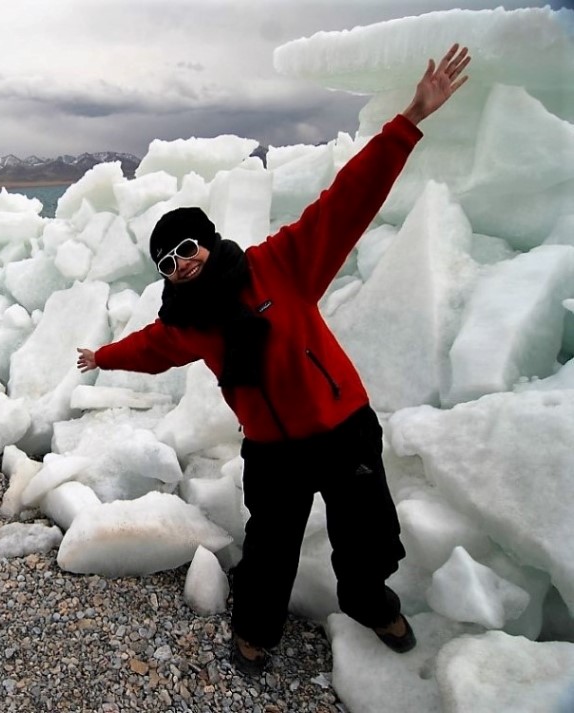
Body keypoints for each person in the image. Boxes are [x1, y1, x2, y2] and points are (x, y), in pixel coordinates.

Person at [76, 44, 471, 676]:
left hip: (343, 430)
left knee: (366, 536)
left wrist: (410, 119)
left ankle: (371, 604)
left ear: (206, 239)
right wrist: (102, 354)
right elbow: (148, 350)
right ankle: (257, 630)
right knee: (269, 552)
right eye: (167, 262)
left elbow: (347, 201)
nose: (180, 263)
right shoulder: (185, 324)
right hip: (272, 451)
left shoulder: (280, 263)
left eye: (185, 247)